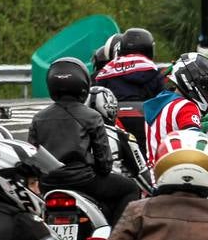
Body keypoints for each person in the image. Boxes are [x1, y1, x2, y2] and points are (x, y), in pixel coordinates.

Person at [29, 58, 141, 224]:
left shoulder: (38, 118)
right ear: (83, 84)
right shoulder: (92, 116)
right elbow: (105, 163)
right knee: (130, 189)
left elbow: (31, 156)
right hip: (84, 182)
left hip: (48, 184)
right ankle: (117, 238)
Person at [144, 53, 208, 162]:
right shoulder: (186, 107)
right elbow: (197, 146)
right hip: (174, 172)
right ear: (193, 81)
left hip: (154, 170)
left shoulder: (161, 101)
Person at [86, 86, 153, 191]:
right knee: (132, 189)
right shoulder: (120, 135)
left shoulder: (71, 130)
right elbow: (141, 172)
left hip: (73, 184)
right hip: (106, 188)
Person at [94, 28, 163, 102]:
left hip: (114, 112)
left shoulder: (107, 71)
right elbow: (161, 100)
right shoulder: (153, 70)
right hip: (146, 112)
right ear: (149, 47)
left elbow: (97, 97)